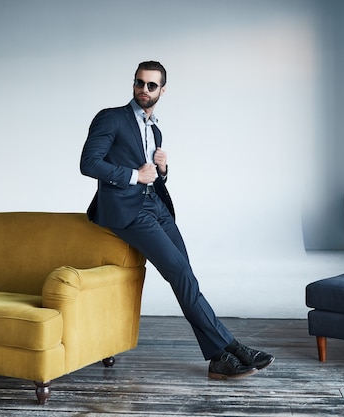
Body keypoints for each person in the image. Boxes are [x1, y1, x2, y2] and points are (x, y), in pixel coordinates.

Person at [80, 60, 274, 379]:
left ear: (162, 90)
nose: (144, 89)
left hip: (155, 207)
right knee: (181, 274)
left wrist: (163, 170)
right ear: (134, 84)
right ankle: (234, 347)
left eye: (151, 85)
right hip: (127, 212)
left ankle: (218, 359)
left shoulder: (154, 128)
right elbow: (89, 163)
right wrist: (133, 174)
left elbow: (152, 178)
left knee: (186, 277)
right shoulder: (111, 118)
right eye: (139, 83)